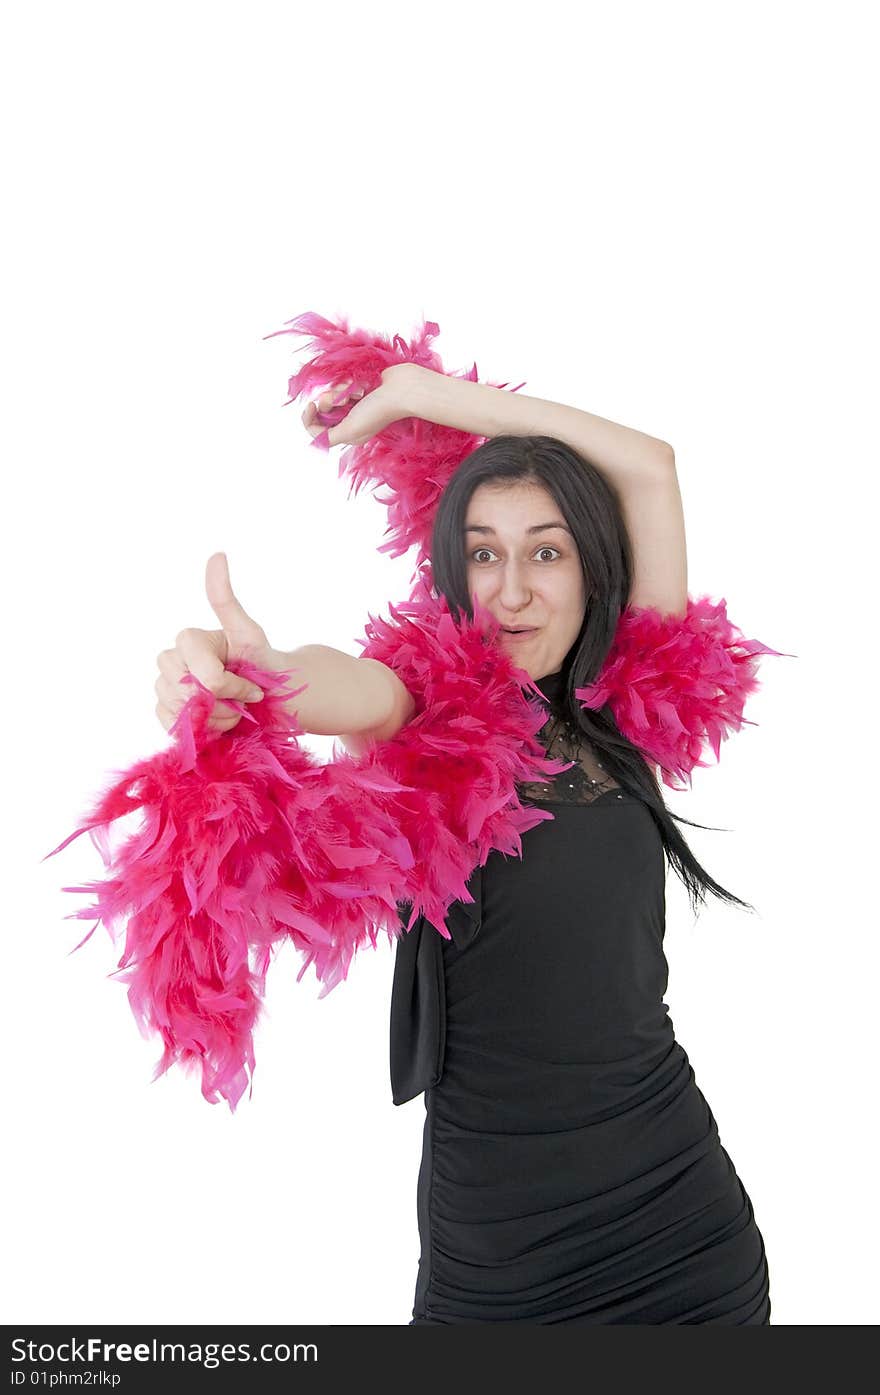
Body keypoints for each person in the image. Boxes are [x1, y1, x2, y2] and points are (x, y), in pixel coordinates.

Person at [153, 364, 774, 1325]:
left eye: (548, 552)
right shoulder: (424, 718)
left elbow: (649, 467)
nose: (514, 591)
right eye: (483, 554)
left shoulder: (633, 706)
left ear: (592, 567)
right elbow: (354, 687)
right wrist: (265, 678)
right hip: (503, 1249)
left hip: (682, 1226)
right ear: (454, 568)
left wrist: (413, 389)